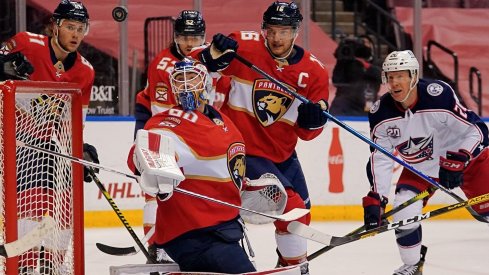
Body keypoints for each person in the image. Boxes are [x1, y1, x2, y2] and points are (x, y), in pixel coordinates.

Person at [193, 1, 330, 273]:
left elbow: (308, 134)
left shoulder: (314, 72)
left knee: (302, 213)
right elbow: (193, 66)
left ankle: (288, 263)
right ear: (263, 30)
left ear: (296, 32)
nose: (277, 37)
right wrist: (212, 53)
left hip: (282, 153)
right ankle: (297, 268)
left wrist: (313, 120)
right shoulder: (244, 46)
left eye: (284, 31)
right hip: (242, 148)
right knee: (290, 207)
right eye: (271, 30)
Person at [363, 50, 489, 275]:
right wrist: (377, 198)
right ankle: (412, 265)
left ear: (413, 76)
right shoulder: (380, 113)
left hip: (462, 160)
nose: (394, 83)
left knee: (487, 212)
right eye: (390, 77)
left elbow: (477, 129)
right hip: (422, 169)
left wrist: (461, 157)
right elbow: (380, 158)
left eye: (400, 76)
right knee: (403, 210)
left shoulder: (437, 95)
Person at [127, 58, 256, 274]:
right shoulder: (167, 121)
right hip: (192, 235)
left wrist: (246, 185)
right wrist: (154, 165)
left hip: (225, 230)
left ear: (207, 84)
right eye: (179, 80)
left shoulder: (223, 120)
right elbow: (148, 147)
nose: (186, 86)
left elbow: (229, 168)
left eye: (192, 79)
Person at [0, 1, 99, 274]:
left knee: (66, 202)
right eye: (70, 27)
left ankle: (54, 263)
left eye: (81, 28)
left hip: (46, 145)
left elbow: (74, 121)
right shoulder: (26, 43)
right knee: (31, 199)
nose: (75, 34)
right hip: (9, 140)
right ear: (55, 26)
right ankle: (26, 263)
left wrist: (83, 149)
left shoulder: (85, 71)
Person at [133, 9, 232, 263]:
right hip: (170, 132)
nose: (190, 43)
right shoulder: (164, 64)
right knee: (160, 188)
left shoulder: (212, 57)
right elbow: (162, 113)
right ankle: (158, 247)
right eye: (184, 37)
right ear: (175, 37)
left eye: (196, 37)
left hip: (203, 134)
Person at [329, 35, 381, 116]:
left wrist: (364, 65)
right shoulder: (347, 63)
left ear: (372, 46)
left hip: (366, 104)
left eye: (366, 42)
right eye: (361, 42)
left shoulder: (376, 63)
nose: (363, 45)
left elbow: (381, 77)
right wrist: (341, 60)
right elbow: (336, 81)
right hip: (344, 105)